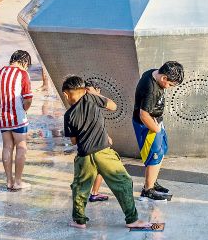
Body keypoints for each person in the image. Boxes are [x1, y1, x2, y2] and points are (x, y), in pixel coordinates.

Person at [62, 76, 149, 230]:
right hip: (103, 152)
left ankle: (79, 220)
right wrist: (96, 95)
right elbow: (113, 106)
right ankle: (132, 219)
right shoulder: (91, 98)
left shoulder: (68, 115)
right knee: (123, 183)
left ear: (66, 94)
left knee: (80, 188)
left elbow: (74, 141)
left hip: (84, 155)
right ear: (84, 91)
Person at [133, 61, 184, 201]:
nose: (170, 88)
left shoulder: (154, 72)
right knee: (154, 156)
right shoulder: (151, 89)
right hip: (148, 126)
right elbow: (143, 115)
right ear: (164, 78)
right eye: (170, 85)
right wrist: (155, 129)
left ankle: (152, 181)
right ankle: (148, 190)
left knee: (161, 151)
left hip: (156, 121)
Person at [0, 50, 33, 191]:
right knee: (21, 146)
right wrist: (24, 109)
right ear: (25, 62)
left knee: (7, 146)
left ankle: (9, 181)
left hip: (2, 116)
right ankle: (18, 182)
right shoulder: (22, 74)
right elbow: (28, 98)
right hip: (17, 116)